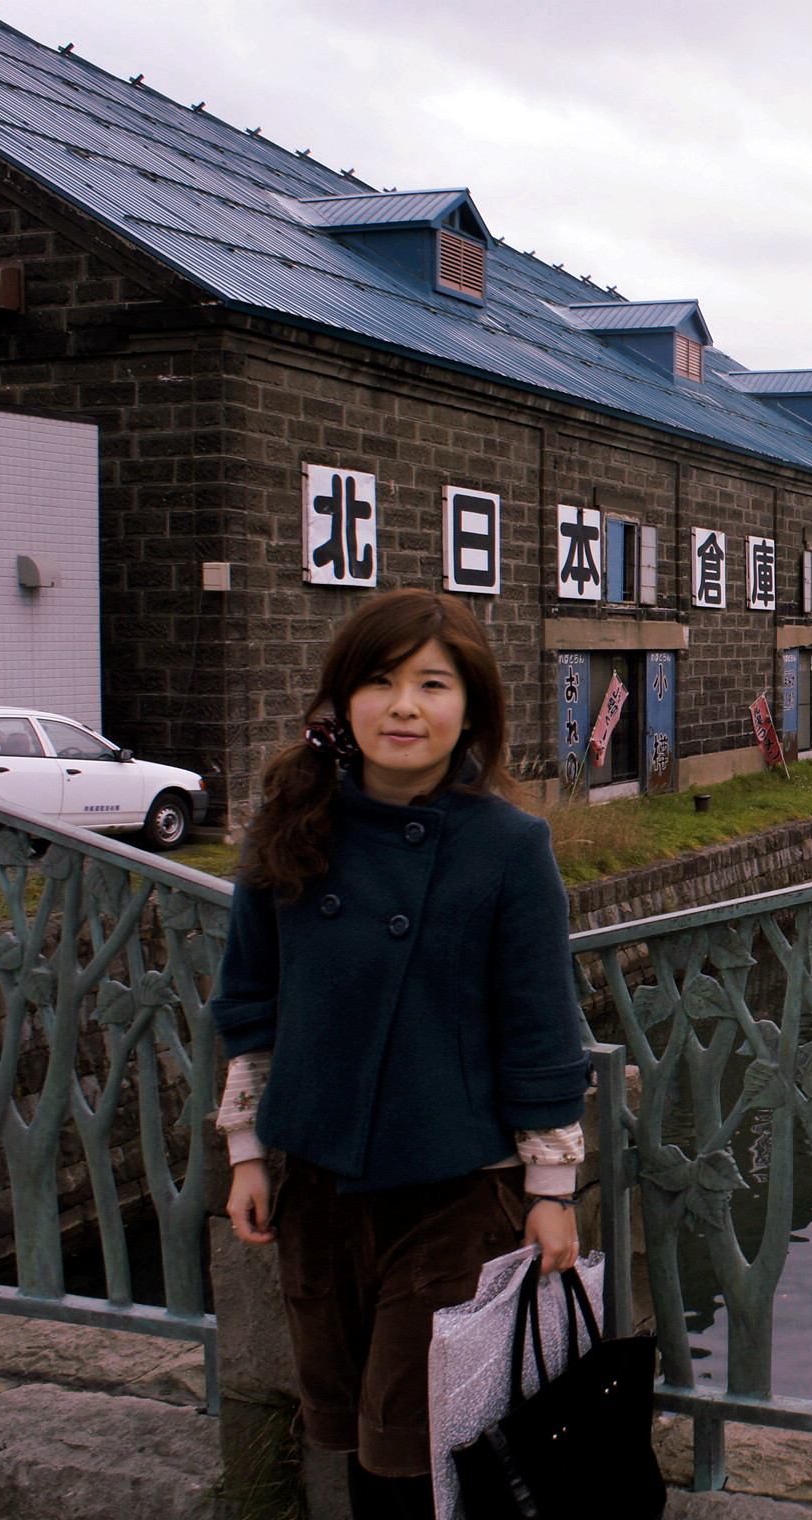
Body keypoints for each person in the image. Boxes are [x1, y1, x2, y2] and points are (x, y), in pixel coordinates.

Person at [213, 590, 590, 1520]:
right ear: (342, 704)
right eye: (379, 682)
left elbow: (543, 1030)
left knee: (412, 1448)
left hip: (456, 1186)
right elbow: (250, 1006)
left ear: (472, 707)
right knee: (346, 1426)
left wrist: (551, 1196)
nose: (405, 707)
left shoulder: (509, 846)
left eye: (433, 683)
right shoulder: (289, 826)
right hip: (319, 1186)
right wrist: (247, 1153)